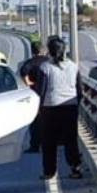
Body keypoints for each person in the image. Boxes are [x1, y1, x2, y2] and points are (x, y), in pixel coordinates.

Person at [36, 36, 83, 180]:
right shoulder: (74, 66)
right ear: (64, 50)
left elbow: (41, 90)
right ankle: (75, 168)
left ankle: (49, 172)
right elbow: (79, 89)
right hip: (70, 107)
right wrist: (76, 103)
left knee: (49, 141)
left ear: (49, 51)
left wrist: (39, 108)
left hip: (50, 107)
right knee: (71, 139)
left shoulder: (45, 67)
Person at [19, 40, 47, 153]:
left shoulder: (31, 62)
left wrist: (28, 82)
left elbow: (23, 72)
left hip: (35, 94)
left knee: (35, 122)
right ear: (44, 50)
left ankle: (35, 145)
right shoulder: (49, 62)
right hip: (49, 94)